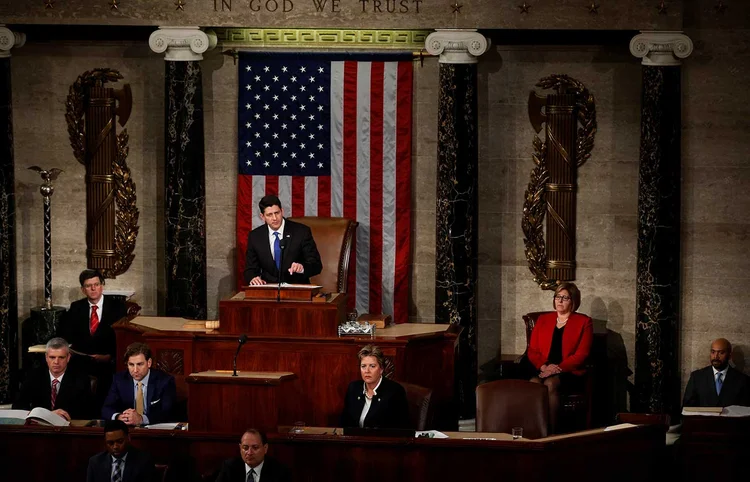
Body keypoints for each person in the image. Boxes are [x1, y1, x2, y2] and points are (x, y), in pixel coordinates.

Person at [56, 269, 128, 410]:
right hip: (82, 361)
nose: (93, 288)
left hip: (109, 361)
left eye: (96, 284)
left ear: (102, 285)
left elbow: (122, 338)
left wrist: (109, 356)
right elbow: (65, 335)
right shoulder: (76, 307)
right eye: (89, 286)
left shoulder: (117, 307)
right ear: (83, 290)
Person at [527, 282, 593, 433]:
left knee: (550, 384)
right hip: (543, 368)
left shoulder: (584, 322)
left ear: (573, 301)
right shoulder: (543, 319)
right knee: (534, 383)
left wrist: (557, 369)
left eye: (565, 298)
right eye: (558, 297)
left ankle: (551, 434)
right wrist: (544, 367)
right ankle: (535, 431)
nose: (560, 301)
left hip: (569, 371)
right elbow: (532, 350)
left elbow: (581, 354)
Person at [243, 194, 322, 286]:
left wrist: (302, 267)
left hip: (297, 289)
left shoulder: (301, 232)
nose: (275, 218)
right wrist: (253, 277)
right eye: (269, 215)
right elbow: (250, 269)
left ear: (282, 211)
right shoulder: (255, 236)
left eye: (277, 213)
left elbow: (316, 265)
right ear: (262, 216)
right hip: (268, 289)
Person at [13, 337, 93, 420]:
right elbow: (18, 407)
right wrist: (47, 415)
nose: (56, 362)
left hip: (68, 428)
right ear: (46, 357)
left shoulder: (81, 379)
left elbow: (87, 412)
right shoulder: (33, 376)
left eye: (61, 357)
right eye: (52, 357)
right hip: (39, 427)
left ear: (68, 357)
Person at [102, 342, 177, 426]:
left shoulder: (165, 381)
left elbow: (167, 413)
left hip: (154, 430)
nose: (135, 370)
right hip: (128, 430)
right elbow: (106, 409)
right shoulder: (119, 380)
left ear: (149, 363)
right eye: (131, 365)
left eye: (139, 364)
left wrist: (141, 419)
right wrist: (119, 417)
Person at [340, 344, 410, 429]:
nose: (367, 371)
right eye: (363, 366)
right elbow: (345, 423)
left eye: (372, 366)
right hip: (355, 440)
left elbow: (401, 428)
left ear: (381, 369)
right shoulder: (354, 388)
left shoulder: (395, 392)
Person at [682, 338, 750, 408]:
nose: (716, 357)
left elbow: (745, 411)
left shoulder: (743, 380)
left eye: (721, 353)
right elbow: (687, 408)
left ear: (729, 356)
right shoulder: (697, 377)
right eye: (713, 352)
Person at [86, 419, 157, 482]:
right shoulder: (95, 462)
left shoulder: (144, 461)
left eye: (120, 441)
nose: (115, 447)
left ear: (128, 438)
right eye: (110, 443)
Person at [215, 428, 292, 482]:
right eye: (245, 448)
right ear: (240, 448)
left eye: (255, 448)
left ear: (265, 448)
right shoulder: (229, 467)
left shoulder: (280, 471)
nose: (249, 452)